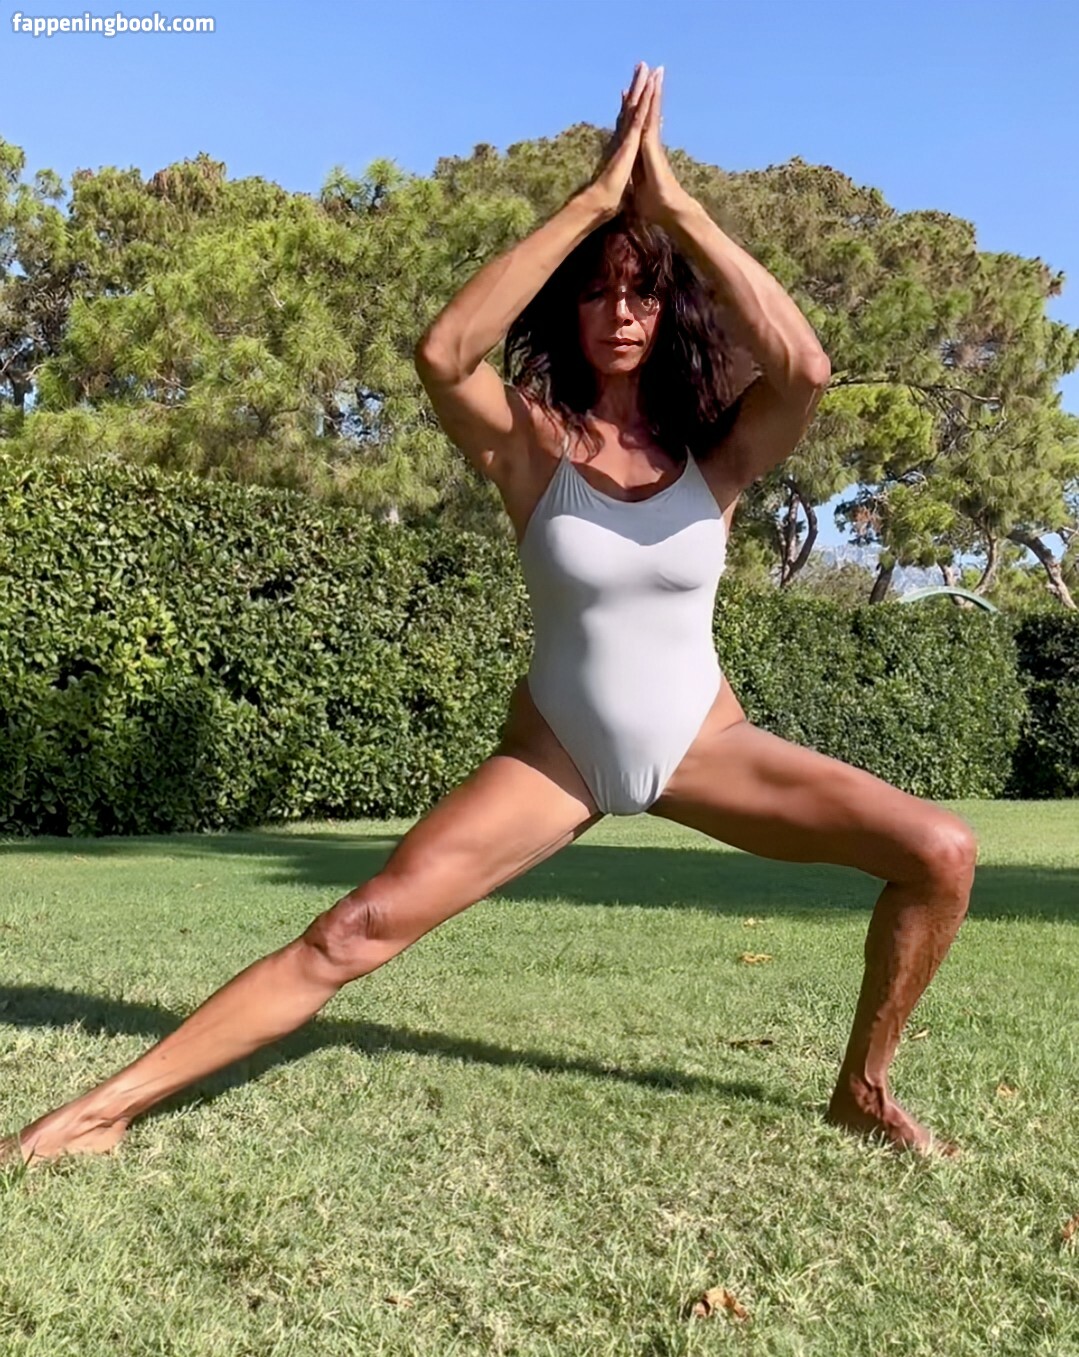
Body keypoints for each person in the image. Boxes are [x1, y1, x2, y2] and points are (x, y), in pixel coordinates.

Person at [1, 62, 975, 1165]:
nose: (620, 311)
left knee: (938, 850)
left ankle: (861, 1090)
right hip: (557, 753)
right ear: (570, 303)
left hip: (705, 745)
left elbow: (805, 367)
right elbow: (441, 353)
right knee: (353, 928)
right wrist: (594, 201)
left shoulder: (715, 454)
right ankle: (94, 1115)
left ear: (667, 310)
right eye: (599, 289)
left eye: (642, 292)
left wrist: (673, 206)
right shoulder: (530, 442)